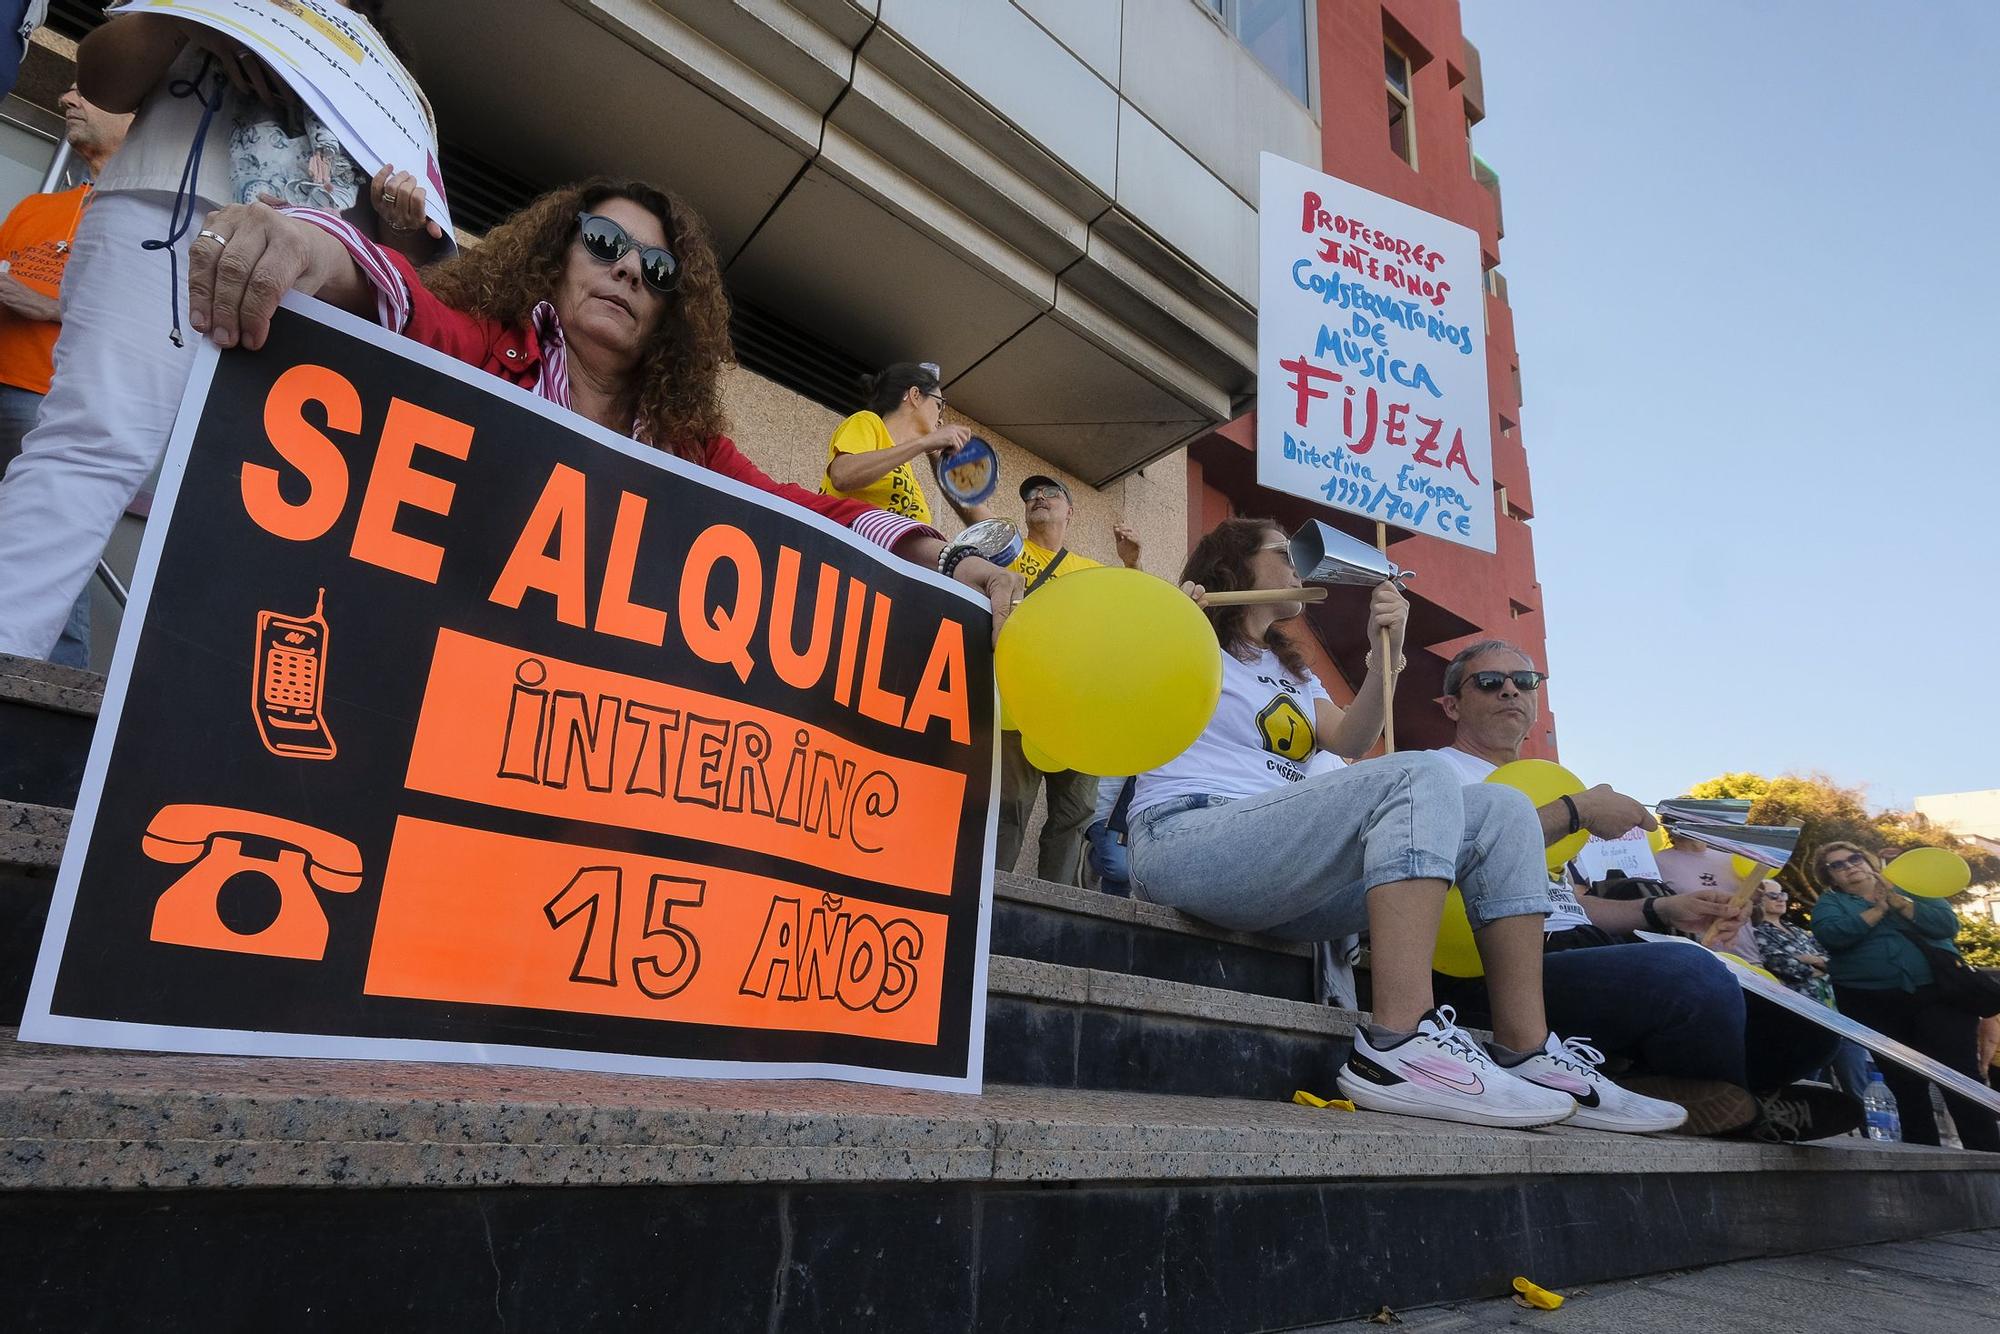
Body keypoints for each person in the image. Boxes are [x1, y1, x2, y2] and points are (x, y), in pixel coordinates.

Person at [180, 179, 1025, 625]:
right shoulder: (489, 347)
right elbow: (403, 304)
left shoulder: (687, 444)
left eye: (656, 271)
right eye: (607, 244)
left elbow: (803, 513)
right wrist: (303, 242)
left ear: (670, 312)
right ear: (557, 255)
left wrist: (944, 561)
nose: (627, 269)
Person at [1124, 519, 1684, 1133]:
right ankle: (1396, 1044)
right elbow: (1117, 677)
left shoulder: (1292, 671)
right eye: (1283, 554)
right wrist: (1164, 619)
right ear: (1232, 565)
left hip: (1274, 862)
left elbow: (1354, 738)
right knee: (1420, 774)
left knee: (1503, 812)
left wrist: (1385, 646)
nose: (1298, 566)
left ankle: (1526, 1051)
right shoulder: (1187, 631)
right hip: (1187, 837)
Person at [0, 2, 434, 660]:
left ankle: (190, 716)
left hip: (312, 268)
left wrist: (400, 209)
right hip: (166, 208)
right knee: (93, 442)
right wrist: (186, 20)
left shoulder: (391, 76)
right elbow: (100, 76)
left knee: (262, 502)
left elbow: (421, 251)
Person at [1431, 639, 1853, 1141]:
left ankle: (1672, 1089)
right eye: (1489, 681)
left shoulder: (1547, 781)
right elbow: (1447, 857)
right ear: (1452, 704)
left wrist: (1663, 909)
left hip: (1574, 950)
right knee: (1689, 975)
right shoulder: (1436, 772)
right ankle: (1744, 1105)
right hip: (1491, 969)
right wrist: (1574, 811)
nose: (1509, 692)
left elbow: (1568, 904)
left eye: (1524, 682)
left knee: (1811, 1022)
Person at [0, 83, 133, 667]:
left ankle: (50, 713)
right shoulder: (35, 208)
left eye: (89, 90)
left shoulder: (152, 218)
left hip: (51, 409)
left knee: (49, 565)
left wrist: (52, 305)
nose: (65, 97)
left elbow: (166, 315)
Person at [993, 472, 1142, 882]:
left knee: (1073, 818)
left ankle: (1053, 911)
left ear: (1070, 511)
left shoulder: (1090, 570)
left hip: (1079, 714)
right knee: (1010, 810)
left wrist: (1132, 563)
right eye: (1032, 495)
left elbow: (1133, 614)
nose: (1039, 498)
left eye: (1050, 493)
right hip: (1017, 708)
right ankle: (995, 901)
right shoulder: (1005, 553)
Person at [1810, 841, 2000, 1151]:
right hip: (1873, 1001)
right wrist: (1879, 909)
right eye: (1837, 865)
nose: (1849, 866)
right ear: (1831, 877)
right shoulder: (1830, 904)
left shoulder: (1913, 888)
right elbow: (1833, 935)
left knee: (1959, 1076)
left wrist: (1899, 902)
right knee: (1903, 1082)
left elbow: (1945, 926)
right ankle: (1922, 1159)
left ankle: (1989, 1157)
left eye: (1854, 858)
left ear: (1867, 859)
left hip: (1939, 995)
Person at [1753, 878, 1872, 1095]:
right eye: (1772, 895)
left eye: (1782, 894)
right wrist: (1815, 964)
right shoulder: (1758, 932)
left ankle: (1867, 1127)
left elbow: (1833, 961)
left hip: (1837, 1016)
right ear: (1757, 899)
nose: (1780, 899)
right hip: (1803, 1020)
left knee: (1858, 1087)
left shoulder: (1799, 932)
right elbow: (1782, 964)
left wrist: (1809, 959)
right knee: (1807, 1086)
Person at [818, 361, 968, 527]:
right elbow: (842, 476)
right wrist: (924, 442)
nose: (940, 418)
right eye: (939, 405)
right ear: (915, 395)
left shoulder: (906, 469)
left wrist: (937, 456)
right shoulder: (867, 421)